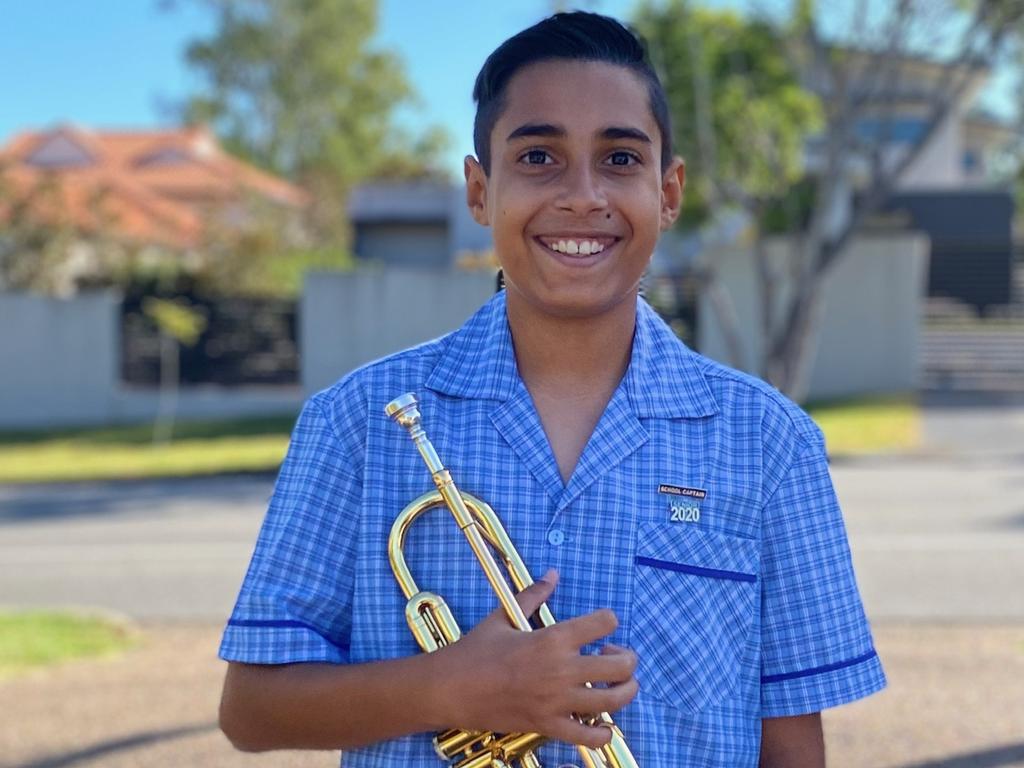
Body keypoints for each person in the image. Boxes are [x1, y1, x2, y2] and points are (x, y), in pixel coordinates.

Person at [218, 11, 886, 767]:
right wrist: (451, 687)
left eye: (620, 159)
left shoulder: (771, 441)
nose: (582, 195)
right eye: (538, 156)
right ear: (479, 191)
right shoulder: (356, 423)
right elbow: (252, 708)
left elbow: (791, 741)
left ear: (669, 193)